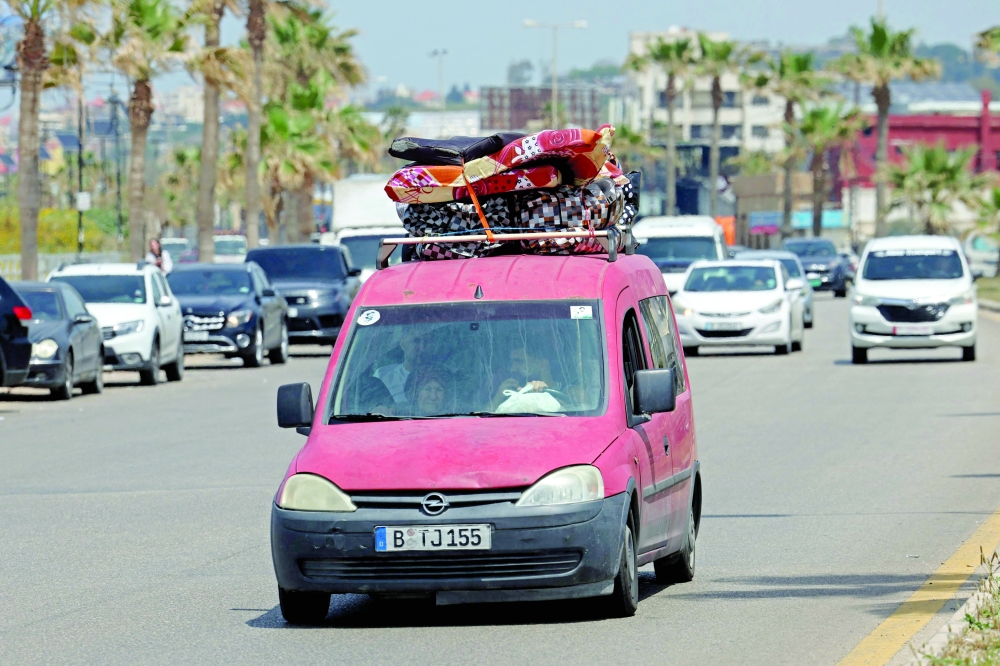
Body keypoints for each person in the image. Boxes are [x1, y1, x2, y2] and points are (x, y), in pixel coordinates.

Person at [491, 345, 558, 409]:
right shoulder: (510, 393)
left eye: (519, 361)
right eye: (512, 362)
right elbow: (484, 416)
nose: (512, 368)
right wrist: (498, 398)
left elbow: (564, 416)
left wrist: (545, 392)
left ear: (541, 364)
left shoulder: (566, 391)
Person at [374, 329, 426, 403]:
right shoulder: (382, 375)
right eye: (416, 341)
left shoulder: (437, 376)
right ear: (403, 344)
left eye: (426, 342)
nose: (422, 348)